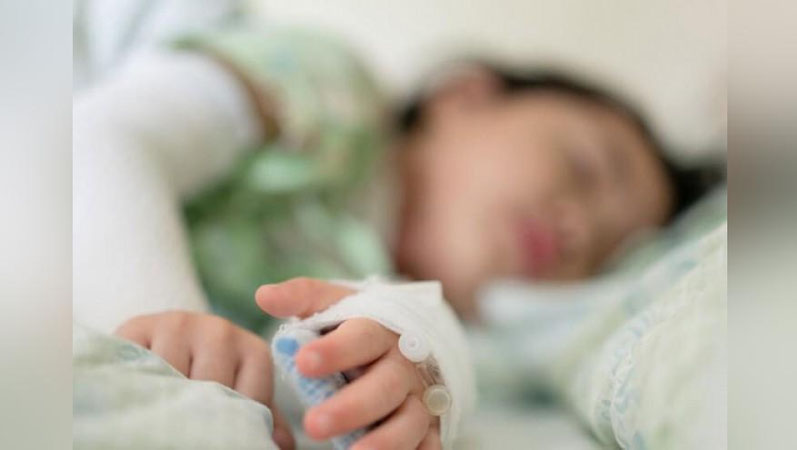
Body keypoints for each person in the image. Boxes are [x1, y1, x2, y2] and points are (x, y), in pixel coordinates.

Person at [74, 23, 721, 450]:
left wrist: (413, 370)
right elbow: (96, 138)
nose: (577, 227)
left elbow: (292, 395)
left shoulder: (469, 340)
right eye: (584, 169)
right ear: (465, 95)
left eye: (602, 250)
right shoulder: (335, 101)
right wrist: (166, 330)